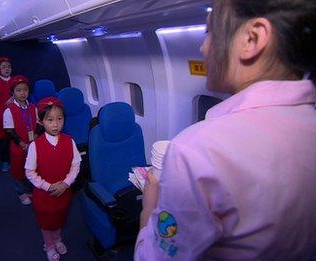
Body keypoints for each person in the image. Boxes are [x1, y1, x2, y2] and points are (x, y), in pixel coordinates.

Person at [135, 0, 316, 260]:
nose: (203, 46)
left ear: (251, 39)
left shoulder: (197, 150)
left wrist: (148, 211)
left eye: (209, 32)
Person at [25, 97, 82, 261]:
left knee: (60, 218)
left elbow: (76, 165)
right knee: (46, 222)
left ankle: (57, 239)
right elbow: (30, 172)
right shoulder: (35, 145)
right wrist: (47, 186)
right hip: (44, 195)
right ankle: (48, 245)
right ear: (41, 122)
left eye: (59, 119)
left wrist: (66, 183)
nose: (55, 124)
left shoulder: (69, 141)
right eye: (50, 120)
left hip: (64, 192)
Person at [3, 75, 37, 205]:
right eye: (18, 90)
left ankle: (31, 190)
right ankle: (21, 192)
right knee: (19, 171)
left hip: (33, 145)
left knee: (32, 168)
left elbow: (39, 124)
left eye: (25, 90)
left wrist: (36, 138)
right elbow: (9, 131)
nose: (22, 93)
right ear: (12, 92)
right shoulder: (9, 110)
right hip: (18, 147)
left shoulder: (33, 107)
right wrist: (22, 144)